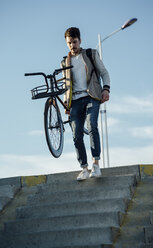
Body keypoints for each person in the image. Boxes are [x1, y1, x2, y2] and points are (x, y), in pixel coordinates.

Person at [61, 27, 110, 181]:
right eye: (69, 43)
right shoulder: (65, 62)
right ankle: (84, 167)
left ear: (80, 41)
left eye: (74, 42)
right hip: (74, 101)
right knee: (76, 134)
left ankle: (96, 164)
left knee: (92, 126)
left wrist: (106, 89)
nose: (72, 46)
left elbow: (104, 72)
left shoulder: (90, 54)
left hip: (91, 96)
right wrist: (65, 104)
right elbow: (65, 85)